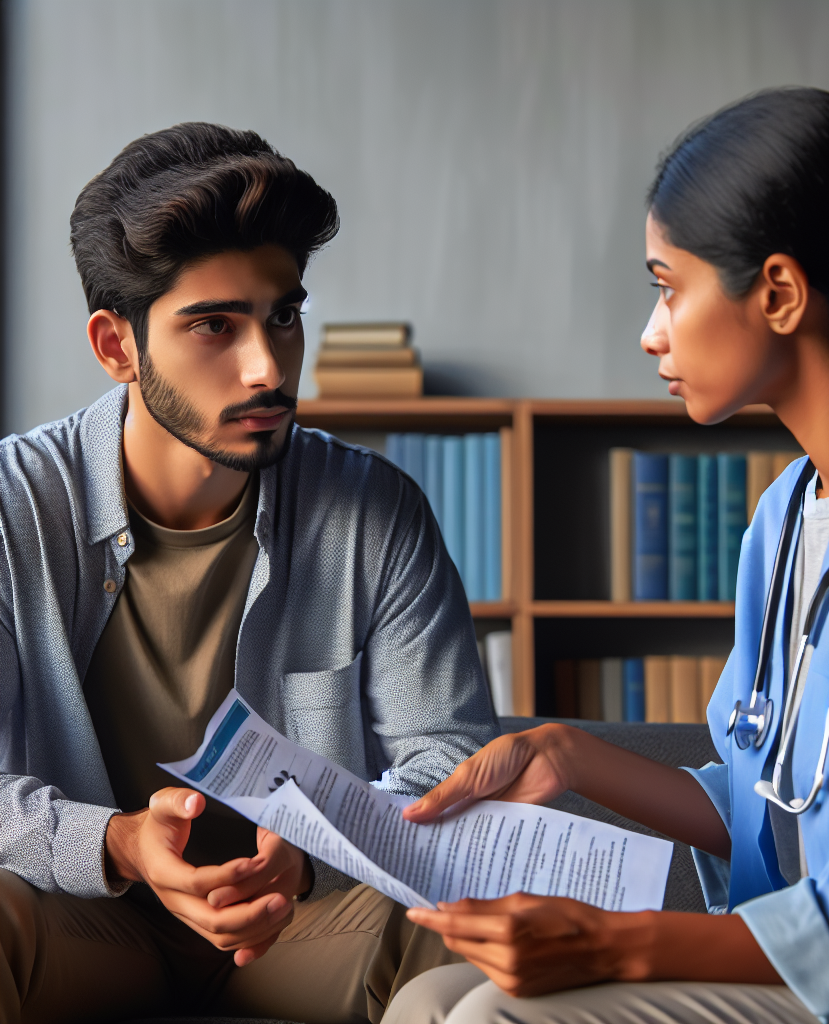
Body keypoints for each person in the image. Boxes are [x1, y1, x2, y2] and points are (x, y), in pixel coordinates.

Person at [380, 89, 829, 1024]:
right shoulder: (785, 514)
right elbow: (766, 804)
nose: (651, 331)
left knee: (488, 1018)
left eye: (669, 286)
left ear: (779, 293)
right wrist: (571, 753)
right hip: (816, 972)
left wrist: (608, 944)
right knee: (431, 996)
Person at [0, 123, 498, 1023]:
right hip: (84, 926)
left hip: (301, 927)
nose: (268, 365)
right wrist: (114, 844)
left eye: (283, 315)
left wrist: (309, 851)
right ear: (117, 346)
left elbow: (450, 761)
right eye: (213, 328)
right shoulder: (11, 508)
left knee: (468, 918)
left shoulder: (376, 511)